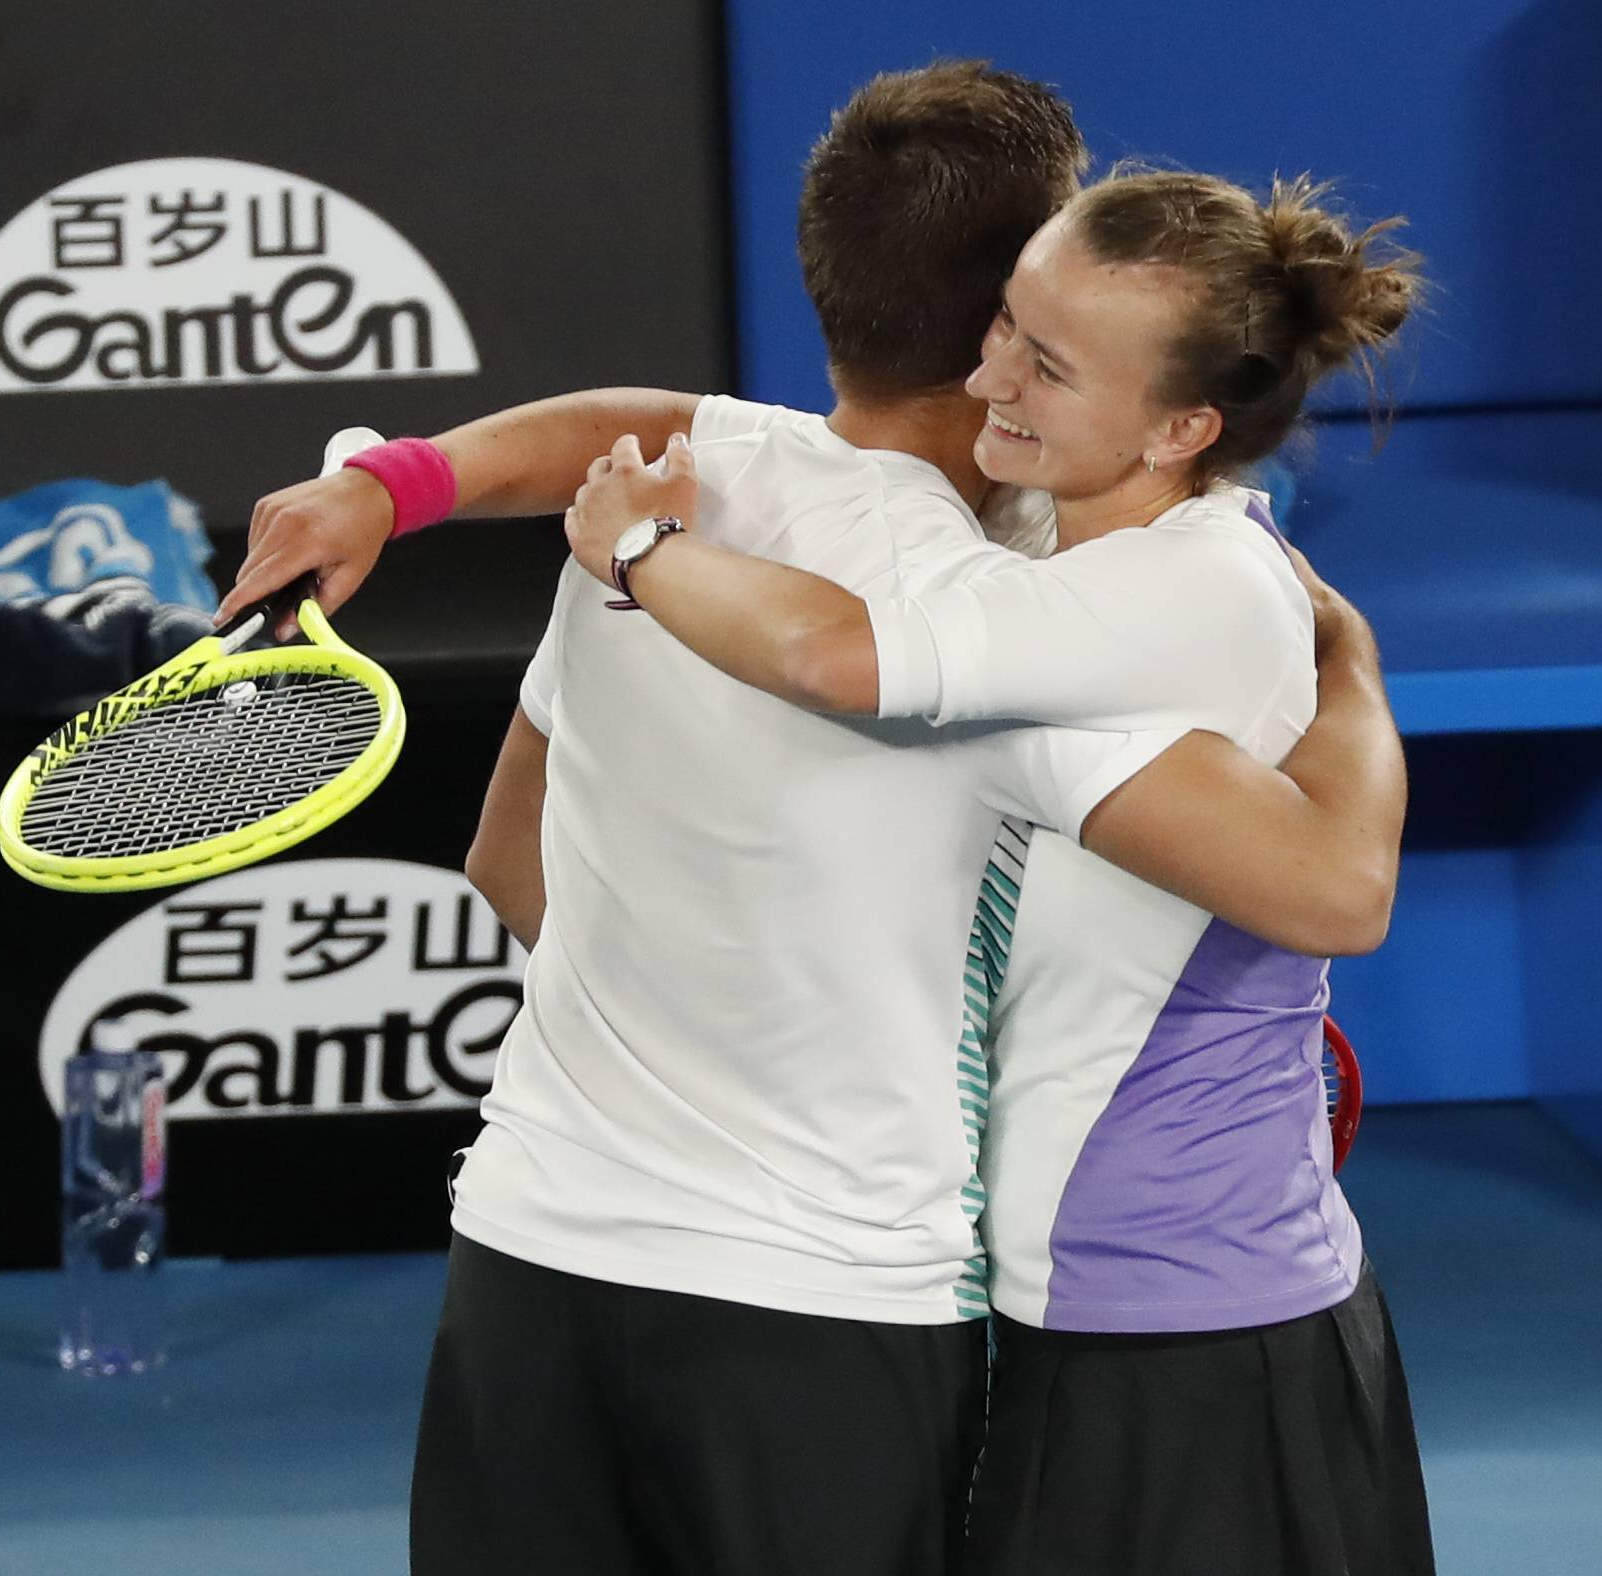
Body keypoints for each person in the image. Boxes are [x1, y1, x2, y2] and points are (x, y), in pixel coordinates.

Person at [221, 67, 1409, 1576]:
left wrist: (403, 482)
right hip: (830, 1309)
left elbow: (506, 863)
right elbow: (1327, 886)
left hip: (530, 1256)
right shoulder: (1017, 617)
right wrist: (1348, 668)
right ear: (1013, 310)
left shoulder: (661, 501)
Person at [559, 164, 1434, 1575]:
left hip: (1194, 1327)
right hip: (1072, 1310)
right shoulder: (1069, 542)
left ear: (1181, 427)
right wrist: (398, 483)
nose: (988, 374)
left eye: (1049, 362)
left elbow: (834, 657)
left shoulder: (1179, 593)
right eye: (1006, 324)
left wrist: (641, 545)